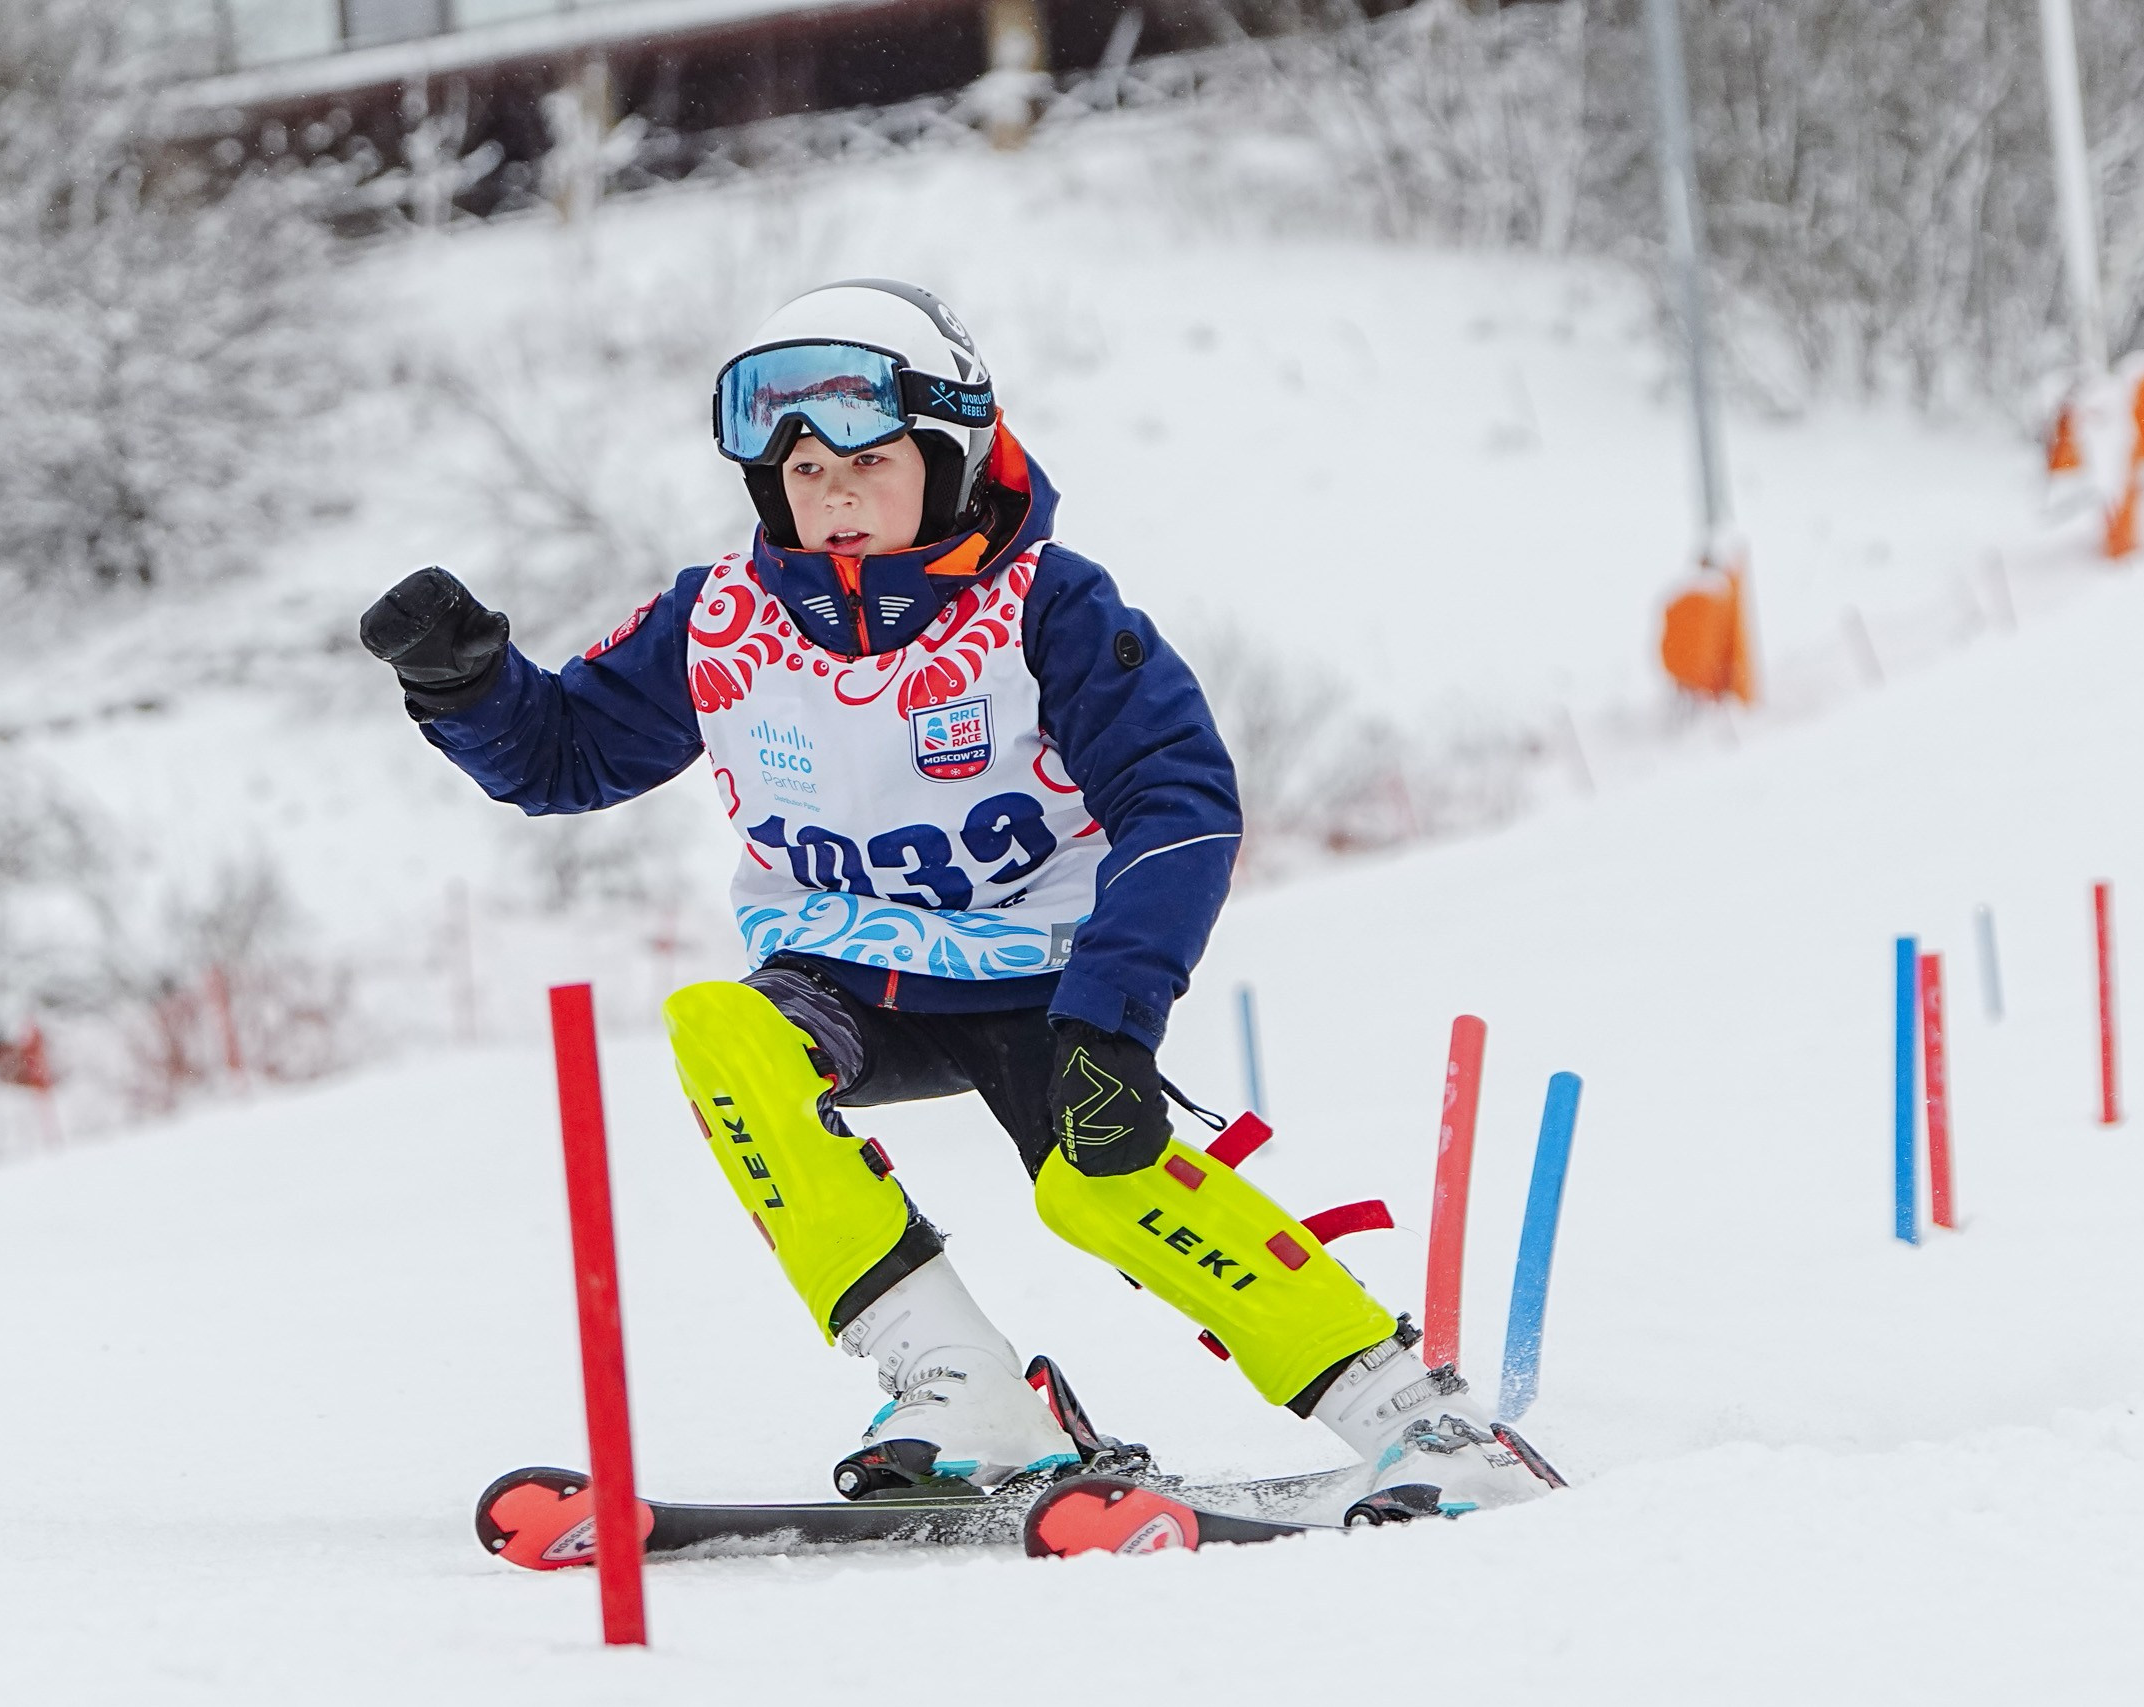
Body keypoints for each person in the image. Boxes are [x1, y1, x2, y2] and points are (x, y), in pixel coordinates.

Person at [360, 279, 1544, 1522]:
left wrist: (1115, 1012)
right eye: (805, 473)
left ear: (948, 456)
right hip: (846, 971)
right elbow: (564, 757)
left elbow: (1177, 801)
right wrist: (467, 687)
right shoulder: (719, 622)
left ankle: (1411, 1413)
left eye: (868, 463)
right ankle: (962, 1384)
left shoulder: (1047, 607)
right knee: (723, 1032)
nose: (834, 498)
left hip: (1049, 970)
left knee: (1099, 1179)